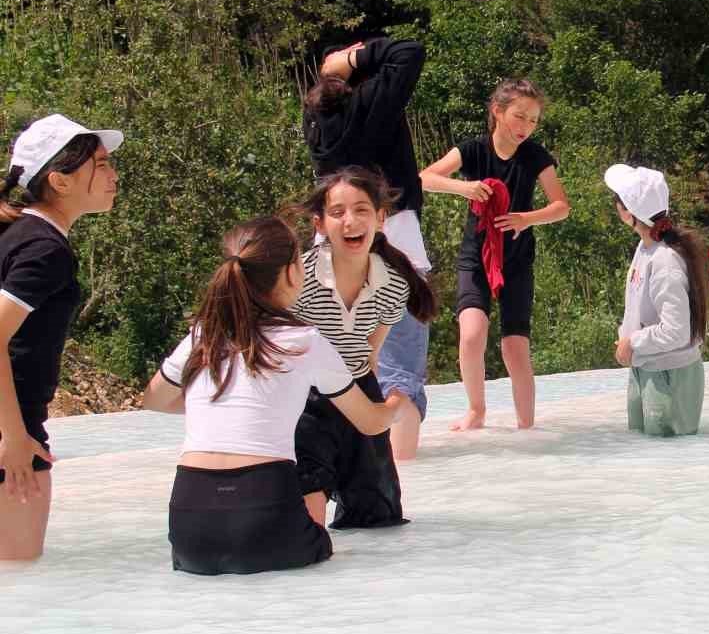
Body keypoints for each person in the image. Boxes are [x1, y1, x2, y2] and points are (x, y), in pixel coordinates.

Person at [142, 217, 406, 575]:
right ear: (291, 273)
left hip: (190, 530)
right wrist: (395, 405)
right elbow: (369, 423)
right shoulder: (305, 342)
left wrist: (220, 406)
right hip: (265, 518)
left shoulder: (202, 336)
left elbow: (154, 400)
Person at [304, 36, 432, 459]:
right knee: (401, 371)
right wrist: (355, 57)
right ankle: (404, 465)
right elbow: (409, 52)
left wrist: (335, 67)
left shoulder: (315, 119)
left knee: (333, 368)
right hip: (393, 237)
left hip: (331, 250)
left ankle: (340, 462)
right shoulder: (372, 103)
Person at [0, 115, 120, 561]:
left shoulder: (19, 234)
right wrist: (13, 438)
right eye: (102, 165)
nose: (114, 175)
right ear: (60, 181)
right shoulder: (44, 249)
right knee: (18, 578)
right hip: (12, 432)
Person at [419, 79, 569, 431]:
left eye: (533, 120)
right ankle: (476, 409)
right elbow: (424, 177)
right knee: (471, 335)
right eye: (520, 116)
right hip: (477, 256)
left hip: (518, 260)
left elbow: (561, 206)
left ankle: (527, 427)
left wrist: (525, 219)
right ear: (497, 112)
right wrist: (464, 187)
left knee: (515, 347)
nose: (526, 127)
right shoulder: (473, 150)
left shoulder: (535, 156)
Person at [291, 168, 436, 529]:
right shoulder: (298, 277)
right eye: (337, 212)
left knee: (379, 520)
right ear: (320, 224)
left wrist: (380, 407)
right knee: (307, 524)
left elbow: (370, 354)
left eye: (361, 210)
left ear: (381, 218)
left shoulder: (394, 284)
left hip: (358, 392)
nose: (350, 221)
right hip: (302, 403)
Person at [604, 164, 709, 437]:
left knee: (669, 464)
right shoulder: (646, 247)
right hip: (647, 367)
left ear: (627, 212)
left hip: (668, 375)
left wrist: (633, 342)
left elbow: (676, 331)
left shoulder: (665, 259)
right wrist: (627, 341)